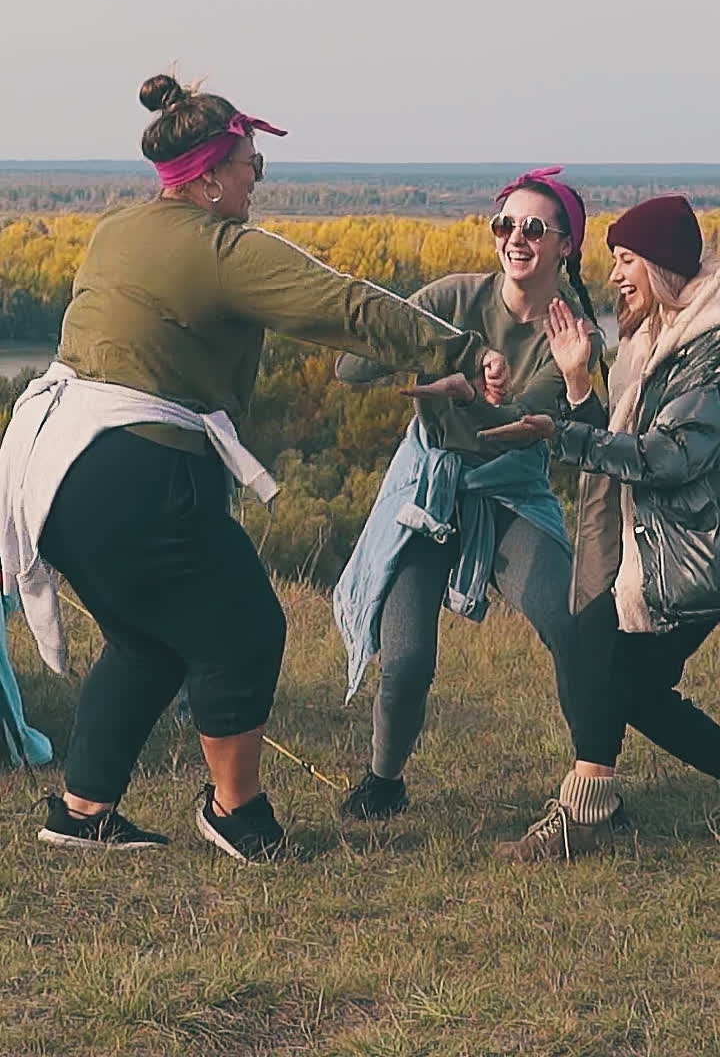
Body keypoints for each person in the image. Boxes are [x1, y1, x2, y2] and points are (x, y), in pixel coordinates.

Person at [0, 73, 491, 861]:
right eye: (250, 165)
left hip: (49, 473)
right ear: (209, 178)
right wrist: (465, 351)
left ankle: (83, 809)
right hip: (136, 471)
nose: (257, 179)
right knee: (246, 629)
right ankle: (236, 811)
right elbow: (348, 306)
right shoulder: (224, 249)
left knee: (149, 638)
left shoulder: (117, 227)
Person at [333, 166, 606, 820]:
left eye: (534, 227)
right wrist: (438, 346)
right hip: (427, 491)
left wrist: (471, 395)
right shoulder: (454, 297)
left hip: (509, 491)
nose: (516, 238)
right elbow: (351, 368)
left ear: (565, 244)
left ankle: (594, 782)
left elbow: (519, 426)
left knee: (572, 625)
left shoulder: (572, 338)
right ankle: (384, 782)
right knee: (406, 662)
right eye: (504, 224)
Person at [492, 193, 720, 861]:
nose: (616, 273)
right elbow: (619, 452)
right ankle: (591, 813)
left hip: (692, 557)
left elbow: (670, 458)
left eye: (627, 259)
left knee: (603, 669)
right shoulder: (653, 343)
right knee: (631, 689)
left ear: (662, 266)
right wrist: (576, 386)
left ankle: (585, 815)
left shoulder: (708, 351)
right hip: (652, 550)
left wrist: (559, 432)